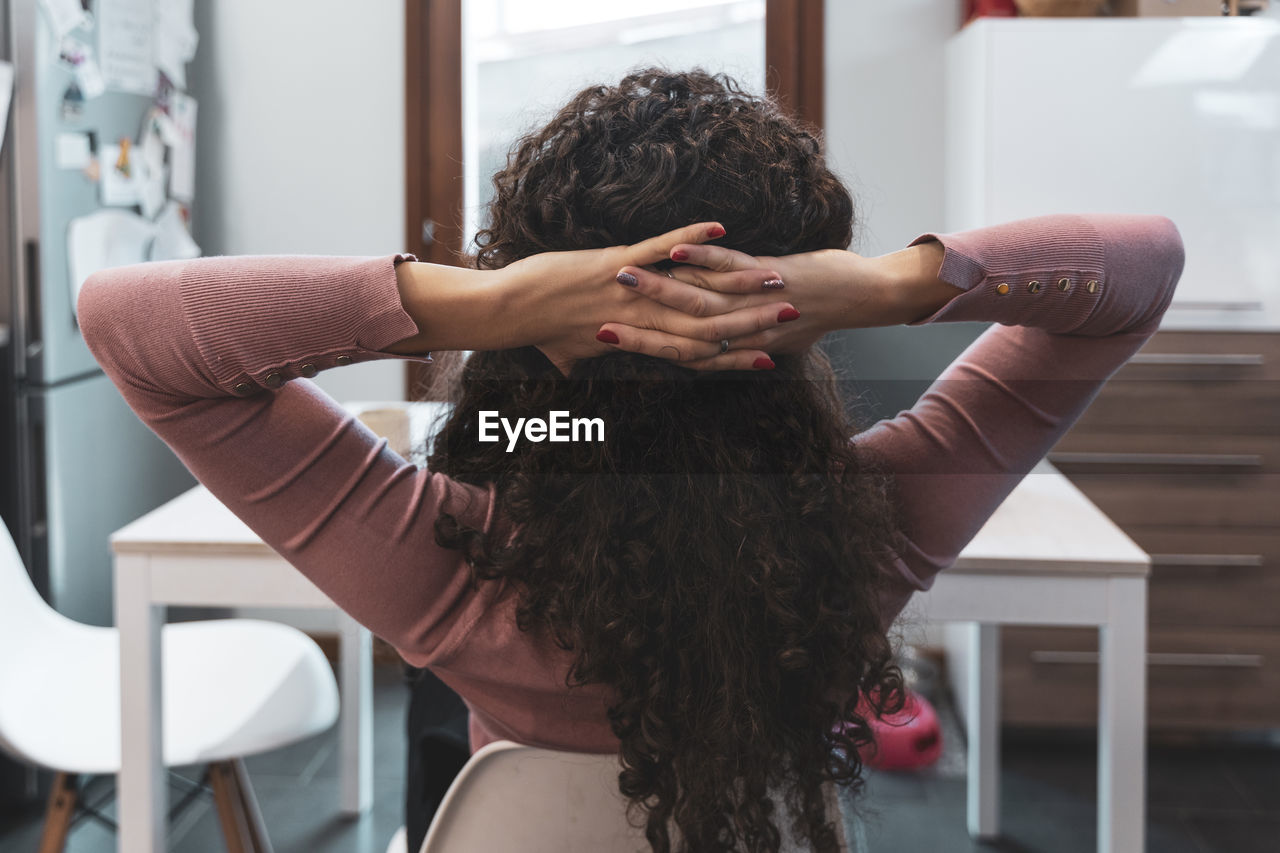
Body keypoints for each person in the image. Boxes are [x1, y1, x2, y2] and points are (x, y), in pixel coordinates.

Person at [77, 68, 1184, 853]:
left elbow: (128, 325)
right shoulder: (866, 534)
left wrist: (488, 305)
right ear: (795, 317)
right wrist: (898, 282)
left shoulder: (451, 568)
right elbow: (1140, 266)